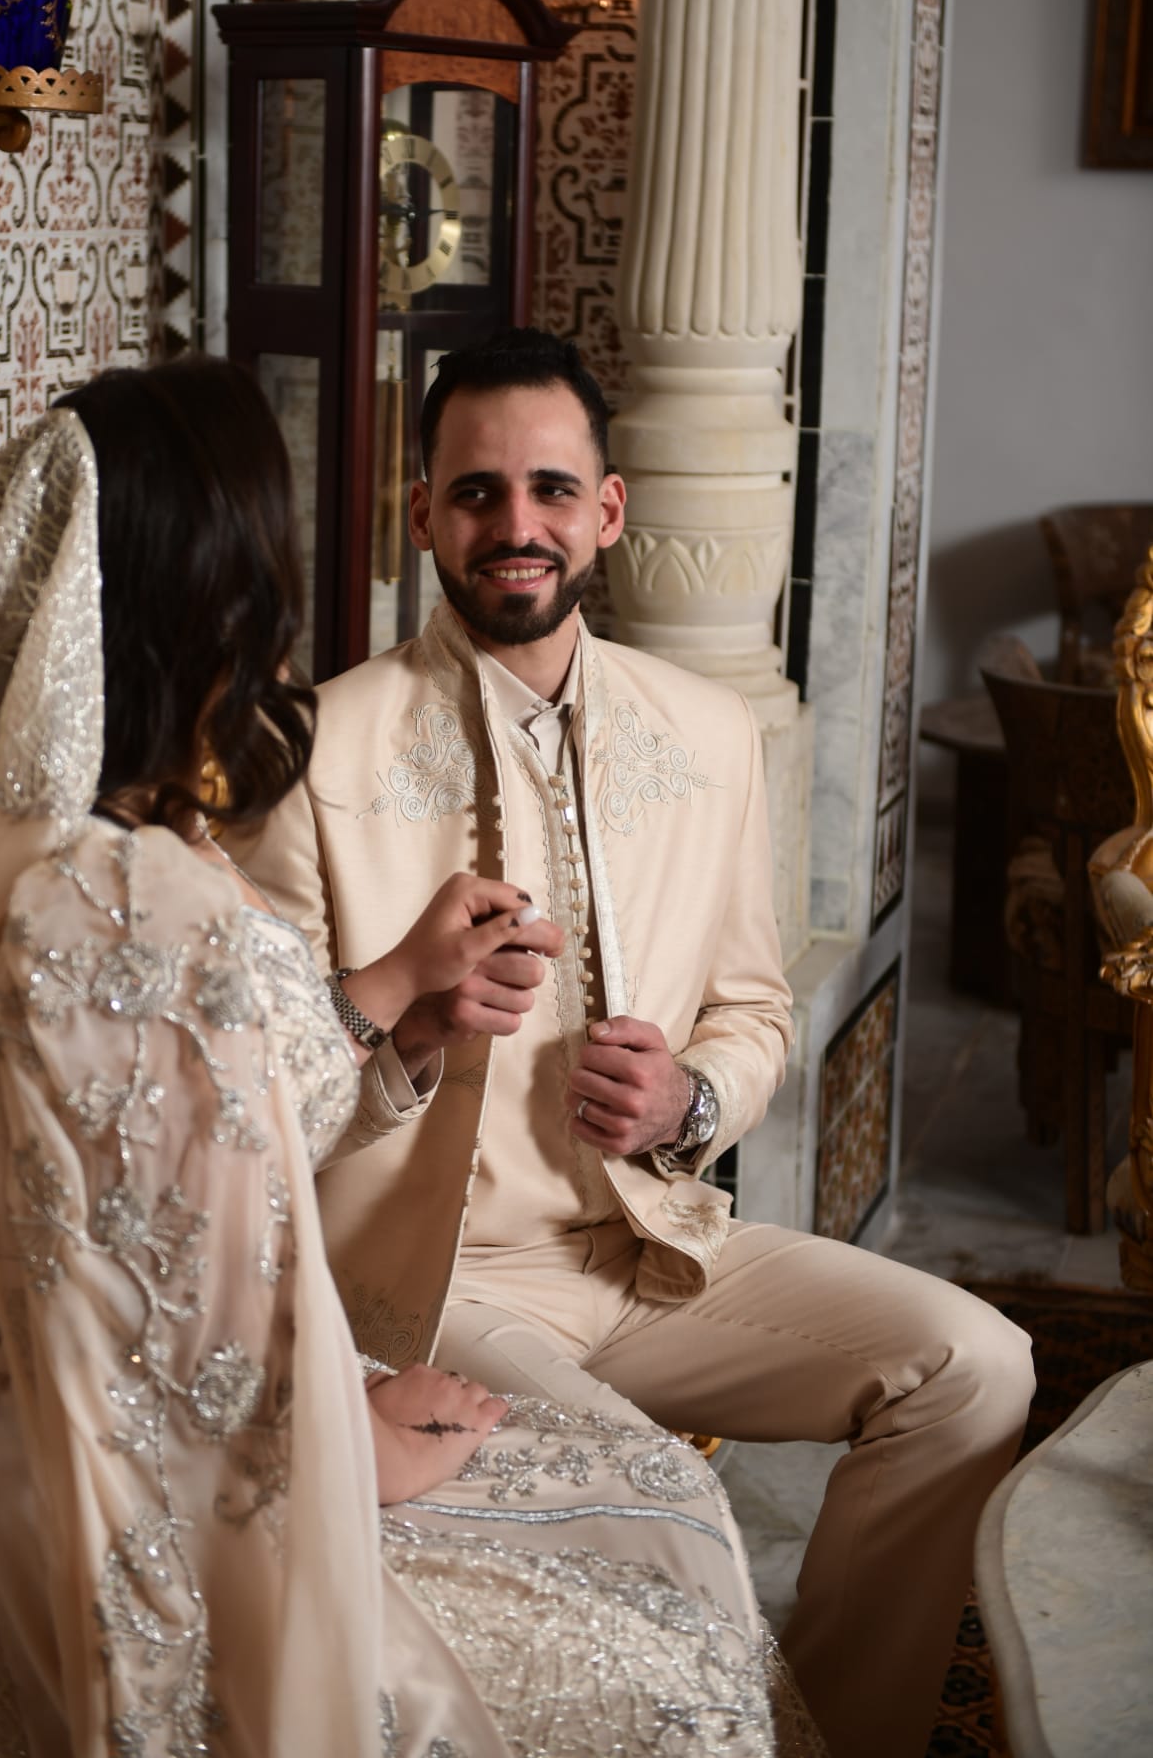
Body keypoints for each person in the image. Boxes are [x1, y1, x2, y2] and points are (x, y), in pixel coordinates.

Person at [0, 359, 824, 1758]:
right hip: (104, 1482)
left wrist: (407, 999)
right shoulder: (137, 906)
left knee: (703, 1490)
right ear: (212, 597)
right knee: (663, 1581)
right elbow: (185, 1311)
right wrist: (367, 1432)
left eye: (552, 488)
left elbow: (150, 1173)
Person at [243, 327, 1038, 1758]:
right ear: (420, 514)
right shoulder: (314, 753)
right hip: (433, 1281)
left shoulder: (712, 733)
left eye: (552, 489)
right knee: (664, 1505)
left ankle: (834, 1732)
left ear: (607, 512)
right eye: (476, 492)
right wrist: (411, 1030)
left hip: (654, 1251)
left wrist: (692, 1100)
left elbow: (755, 1008)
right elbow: (250, 1103)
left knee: (975, 1366)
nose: (516, 524)